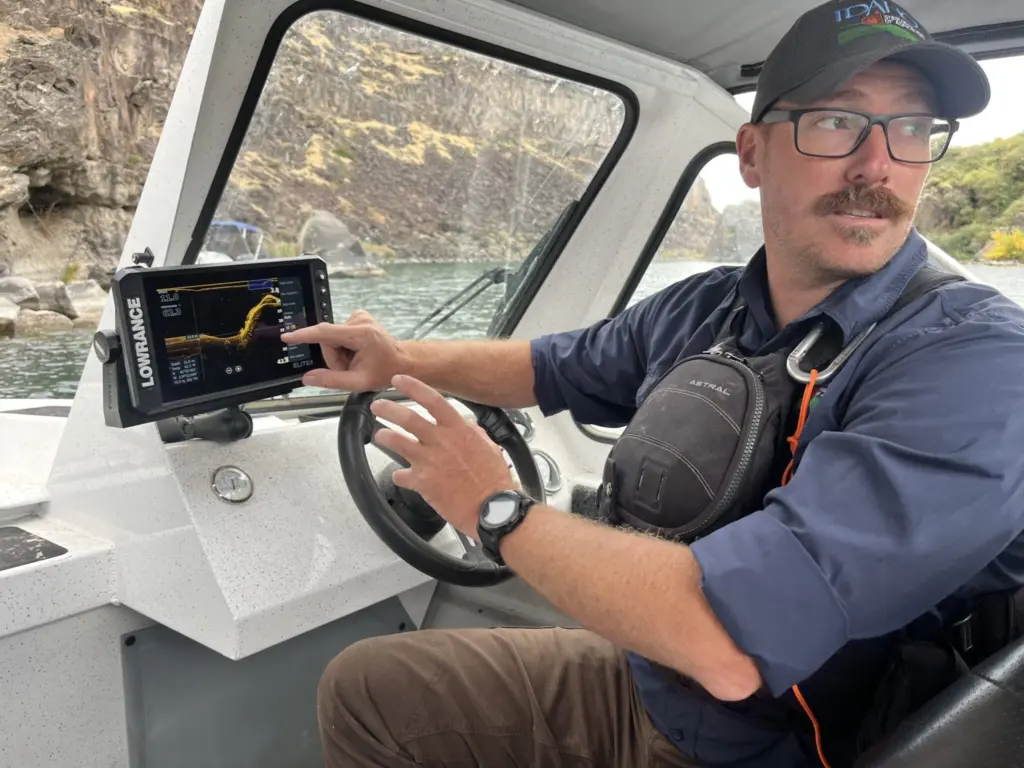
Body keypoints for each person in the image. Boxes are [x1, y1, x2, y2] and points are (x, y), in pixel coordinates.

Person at [283, 1, 1024, 766]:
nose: (877, 166)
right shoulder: (709, 306)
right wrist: (398, 359)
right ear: (752, 153)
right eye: (838, 122)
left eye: (911, 129)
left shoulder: (974, 361)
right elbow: (548, 365)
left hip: (786, 747)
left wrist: (492, 504)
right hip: (655, 684)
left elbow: (727, 644)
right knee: (369, 689)